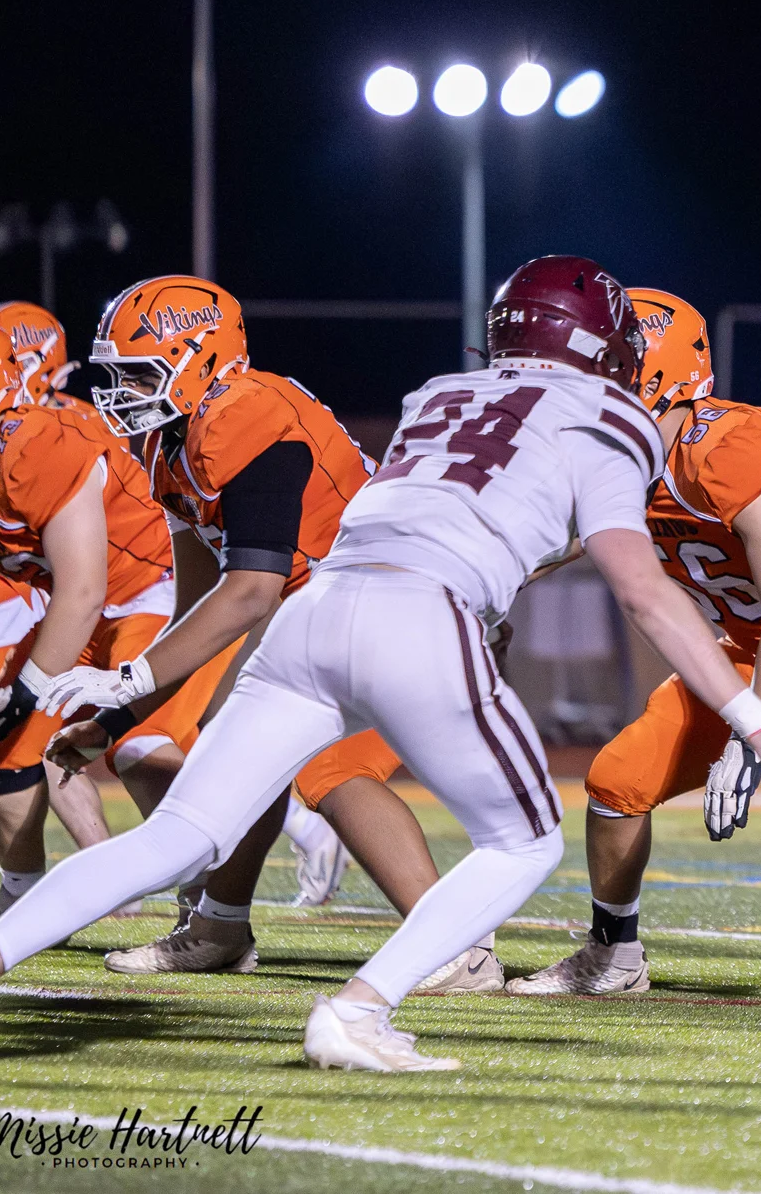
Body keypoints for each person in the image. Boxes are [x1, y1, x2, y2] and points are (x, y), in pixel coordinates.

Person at [0, 255, 761, 1073]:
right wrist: (756, 719)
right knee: (525, 841)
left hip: (315, 612)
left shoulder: (441, 393)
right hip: (421, 616)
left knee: (176, 836)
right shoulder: (611, 416)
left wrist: (126, 690)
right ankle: (360, 1008)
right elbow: (646, 593)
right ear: (603, 350)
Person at [36, 276, 488, 989]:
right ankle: (218, 927)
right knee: (242, 744)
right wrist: (119, 715)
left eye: (139, 373)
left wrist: (128, 680)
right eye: (116, 374)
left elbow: (253, 588)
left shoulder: (247, 413)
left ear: (202, 359)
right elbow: (201, 601)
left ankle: (456, 950)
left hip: (399, 596)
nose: (120, 391)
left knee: (328, 768)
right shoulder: (168, 445)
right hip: (340, 604)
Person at [506, 289, 761, 1010]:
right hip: (751, 641)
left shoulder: (728, 446)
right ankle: (614, 953)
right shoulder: (614, 461)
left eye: (602, 368)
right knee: (617, 781)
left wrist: (757, 729)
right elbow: (541, 546)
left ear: (655, 372)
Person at [0, 314, 218, 943]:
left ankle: (214, 917)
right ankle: (23, 902)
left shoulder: (33, 444)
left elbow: (81, 589)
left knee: (139, 739)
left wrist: (26, 693)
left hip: (161, 594)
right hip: (96, 611)